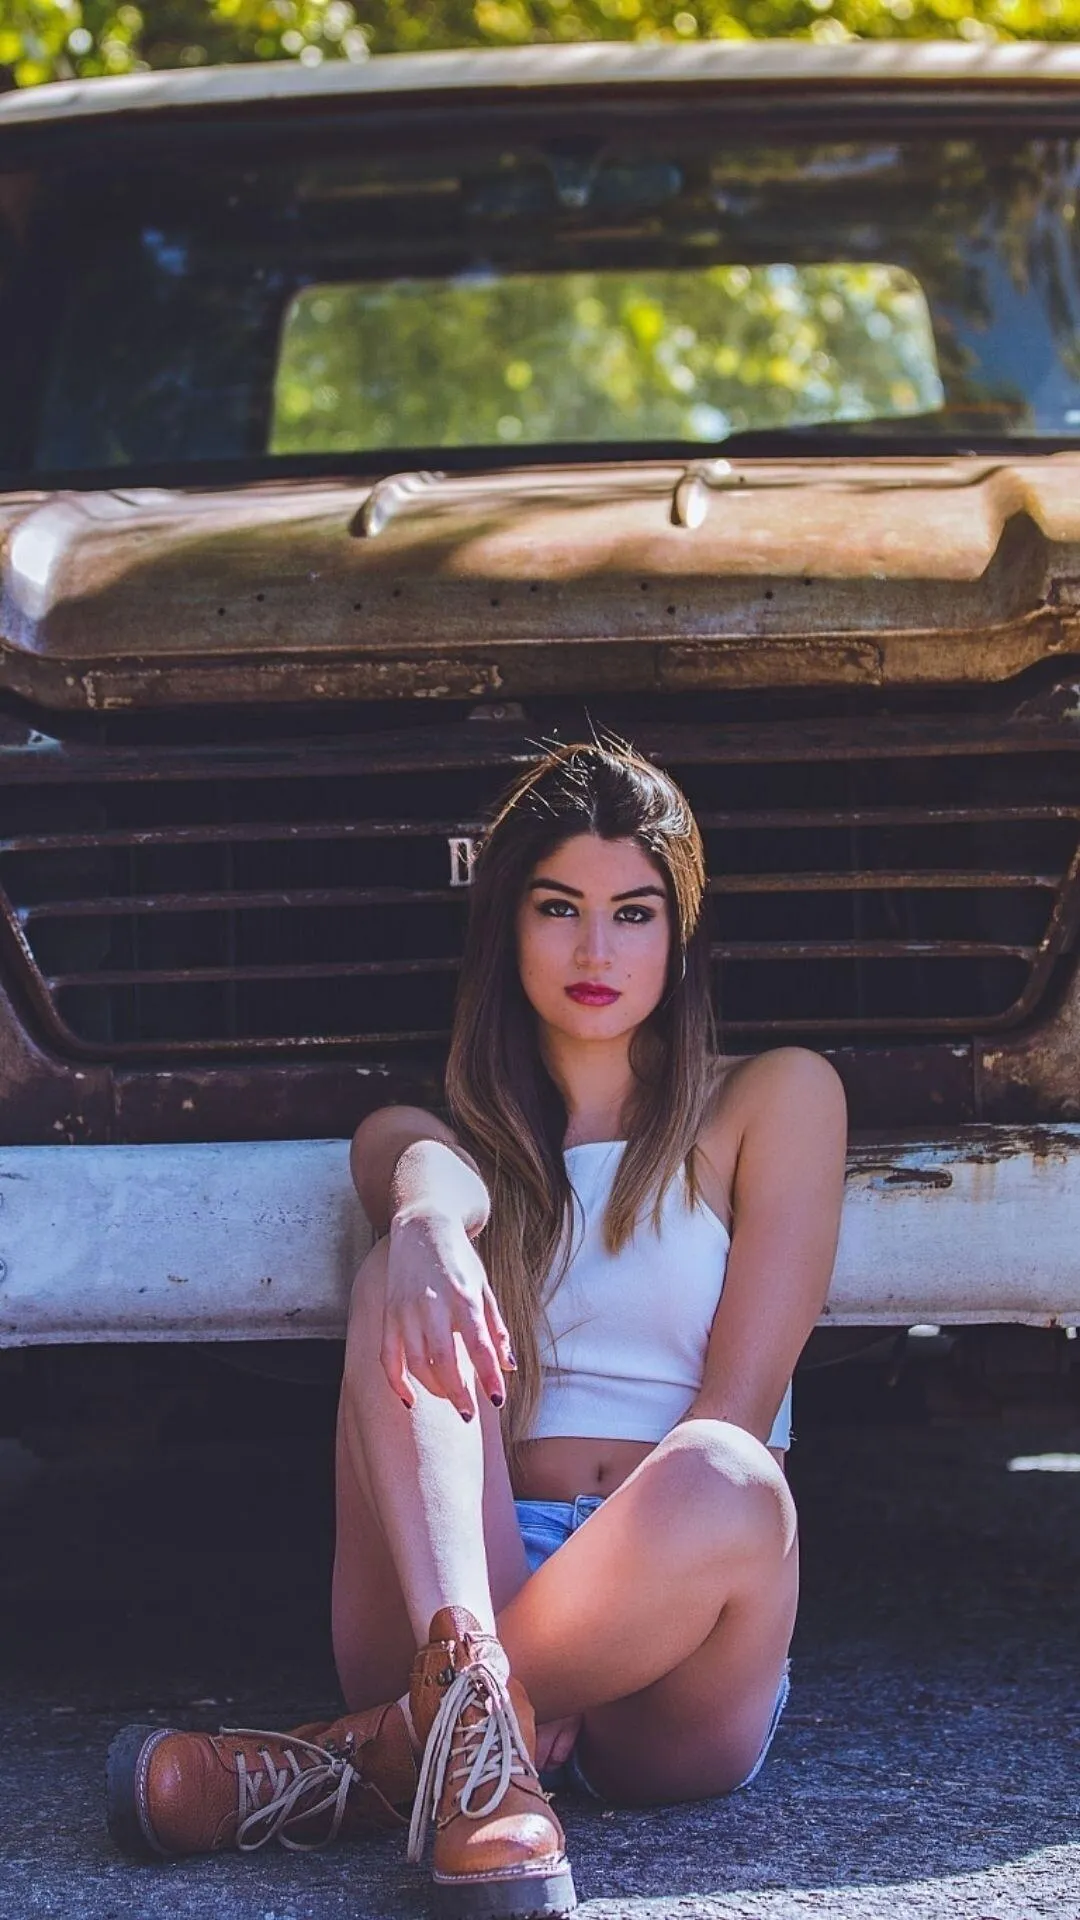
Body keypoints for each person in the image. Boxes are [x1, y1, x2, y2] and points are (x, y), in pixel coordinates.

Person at [106, 738, 847, 1920]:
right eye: (559, 909)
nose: (596, 950)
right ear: (508, 927)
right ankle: (474, 1731)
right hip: (461, 1584)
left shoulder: (774, 1100)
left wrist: (608, 1629)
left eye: (633, 913)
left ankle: (355, 1764)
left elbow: (739, 1403)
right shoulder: (436, 1131)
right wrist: (431, 1229)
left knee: (731, 1470)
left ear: (682, 933)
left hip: (676, 1627)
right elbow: (410, 1168)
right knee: (399, 1283)